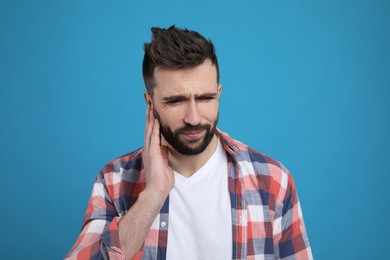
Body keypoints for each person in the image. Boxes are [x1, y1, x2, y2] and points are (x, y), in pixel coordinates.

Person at [65, 25, 312, 260]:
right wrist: (152, 196)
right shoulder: (113, 182)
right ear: (150, 104)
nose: (193, 118)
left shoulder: (272, 180)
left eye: (205, 98)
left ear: (219, 94)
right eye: (175, 101)